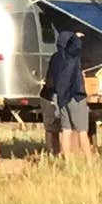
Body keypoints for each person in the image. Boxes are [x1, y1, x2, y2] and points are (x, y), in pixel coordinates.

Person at [41, 27, 92, 159]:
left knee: (66, 130)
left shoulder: (55, 58)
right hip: (76, 96)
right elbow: (76, 46)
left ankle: (68, 159)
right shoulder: (72, 57)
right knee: (82, 131)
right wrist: (76, 36)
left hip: (61, 97)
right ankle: (89, 161)